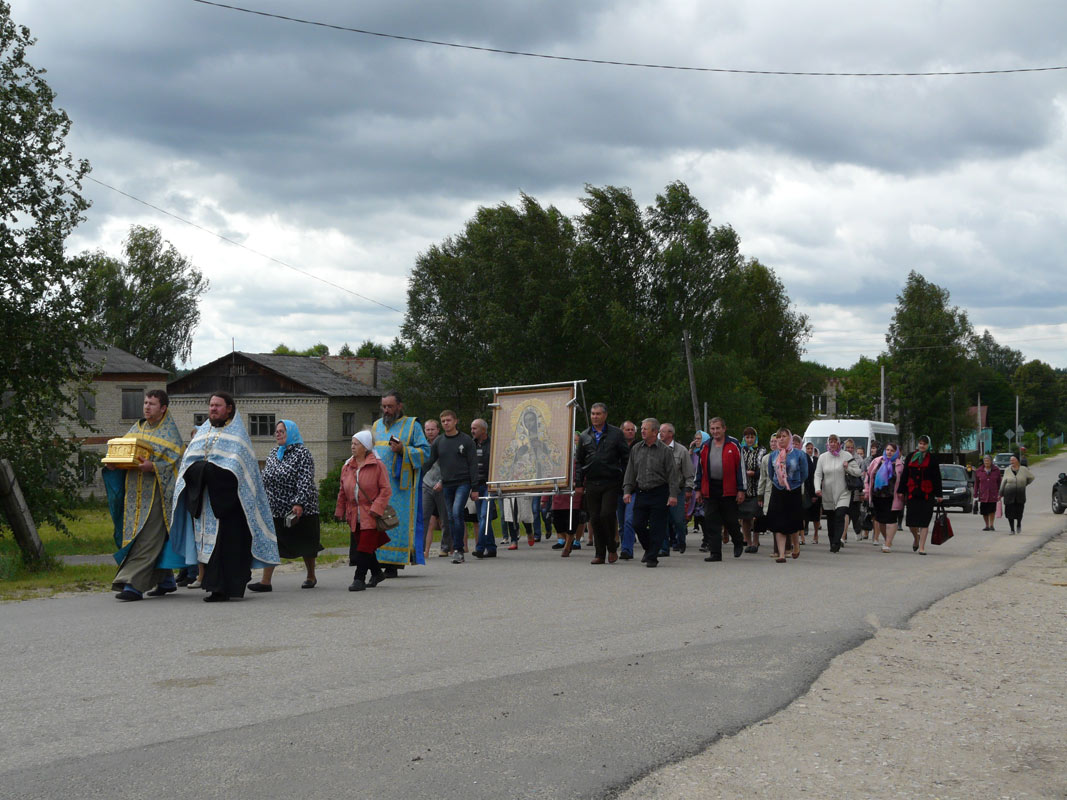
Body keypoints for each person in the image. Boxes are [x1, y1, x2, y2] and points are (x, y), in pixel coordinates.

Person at [169, 392, 280, 602]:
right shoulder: (203, 433)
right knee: (211, 547)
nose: (213, 409)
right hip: (206, 501)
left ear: (229, 408)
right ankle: (214, 585)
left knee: (226, 546)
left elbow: (236, 471)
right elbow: (188, 464)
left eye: (217, 405)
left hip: (229, 504)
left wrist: (207, 470)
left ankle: (222, 588)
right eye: (211, 405)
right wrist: (202, 471)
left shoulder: (238, 436)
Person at [103, 389, 186, 602]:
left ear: (163, 408)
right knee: (142, 537)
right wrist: (114, 464)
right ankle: (165, 579)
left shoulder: (170, 433)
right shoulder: (136, 428)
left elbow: (177, 465)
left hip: (157, 495)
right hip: (134, 495)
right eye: (146, 403)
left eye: (152, 404)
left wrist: (154, 467)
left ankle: (133, 585)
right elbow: (123, 453)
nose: (147, 407)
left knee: (147, 538)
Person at [249, 420, 322, 591]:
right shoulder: (274, 453)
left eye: (282, 431)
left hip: (300, 509)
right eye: (276, 431)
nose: (278, 434)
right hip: (275, 509)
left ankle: (311, 575)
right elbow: (265, 477)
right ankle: (266, 581)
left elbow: (305, 479)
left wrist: (299, 502)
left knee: (306, 543)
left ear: (291, 433)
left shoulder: (302, 453)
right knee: (272, 543)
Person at [372, 391, 431, 576]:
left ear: (400, 406)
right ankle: (378, 561)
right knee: (377, 521)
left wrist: (403, 450)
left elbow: (425, 452)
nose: (386, 410)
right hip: (377, 485)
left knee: (396, 523)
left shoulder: (412, 425)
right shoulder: (376, 425)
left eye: (390, 406)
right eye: (384, 406)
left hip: (401, 488)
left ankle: (393, 564)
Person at [574, 403, 631, 564]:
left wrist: (625, 480)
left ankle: (612, 548)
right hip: (592, 482)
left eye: (598, 414)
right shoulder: (585, 435)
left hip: (611, 481)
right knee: (595, 518)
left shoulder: (616, 434)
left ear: (605, 415)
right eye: (593, 414)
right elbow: (579, 461)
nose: (595, 417)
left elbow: (626, 458)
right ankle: (600, 553)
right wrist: (579, 483)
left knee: (607, 514)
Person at [335, 431, 392, 590]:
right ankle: (377, 573)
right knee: (364, 545)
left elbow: (386, 490)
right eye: (352, 443)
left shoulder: (377, 465)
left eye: (356, 444)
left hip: (371, 514)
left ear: (365, 446)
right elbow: (342, 491)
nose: (352, 446)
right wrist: (339, 510)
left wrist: (377, 508)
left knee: (364, 547)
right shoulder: (347, 466)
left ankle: (359, 579)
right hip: (353, 514)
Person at [622, 418, 680, 568]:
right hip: (641, 492)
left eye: (645, 429)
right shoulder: (636, 449)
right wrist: (627, 490)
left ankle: (652, 557)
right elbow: (630, 472)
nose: (642, 431)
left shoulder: (665, 451)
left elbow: (672, 475)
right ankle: (649, 549)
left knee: (657, 527)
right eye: (641, 428)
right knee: (637, 523)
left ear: (655, 432)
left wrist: (673, 494)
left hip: (659, 492)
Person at [422, 410, 477, 563]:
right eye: (443, 421)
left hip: (463, 483)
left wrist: (475, 488)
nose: (446, 423)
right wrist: (417, 475)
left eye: (448, 420)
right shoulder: (439, 442)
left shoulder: (466, 440)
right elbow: (429, 462)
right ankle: (455, 547)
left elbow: (473, 464)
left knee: (457, 512)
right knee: (451, 517)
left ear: (455, 421)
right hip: (447, 484)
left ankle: (458, 549)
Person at [694, 417, 746, 562]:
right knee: (711, 521)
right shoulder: (705, 446)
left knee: (731, 520)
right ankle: (715, 553)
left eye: (718, 428)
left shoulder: (733, 444)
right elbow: (700, 469)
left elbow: (741, 468)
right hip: (710, 488)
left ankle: (738, 541)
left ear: (724, 428)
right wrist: (697, 489)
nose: (715, 431)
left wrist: (741, 489)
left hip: (729, 489)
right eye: (712, 429)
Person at [814, 433, 863, 554]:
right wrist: (817, 488)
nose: (833, 444)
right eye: (830, 441)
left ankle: (837, 541)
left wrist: (847, 468)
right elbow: (818, 474)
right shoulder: (823, 457)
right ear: (828, 443)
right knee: (831, 518)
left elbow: (858, 472)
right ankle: (832, 541)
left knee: (840, 515)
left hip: (843, 492)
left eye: (835, 441)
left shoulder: (846, 455)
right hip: (828, 493)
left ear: (839, 443)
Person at [766, 428, 809, 563]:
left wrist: (794, 483)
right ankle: (782, 554)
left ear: (790, 438)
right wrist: (779, 482)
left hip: (793, 490)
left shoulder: (799, 454)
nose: (781, 439)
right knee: (779, 522)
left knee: (792, 522)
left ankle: (796, 545)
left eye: (784, 436)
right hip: (778, 490)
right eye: (779, 437)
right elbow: (770, 472)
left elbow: (804, 473)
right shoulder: (773, 455)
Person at [899, 435, 944, 554]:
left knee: (924, 522)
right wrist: (901, 490)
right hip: (912, 493)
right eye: (920, 443)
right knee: (911, 523)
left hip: (927, 494)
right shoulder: (910, 456)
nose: (922, 446)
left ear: (928, 445)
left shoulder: (933, 459)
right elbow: (905, 474)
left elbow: (937, 477)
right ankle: (916, 538)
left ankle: (922, 547)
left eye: (924, 444)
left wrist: (939, 494)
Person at [656, 422, 694, 557]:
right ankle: (664, 548)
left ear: (671, 434)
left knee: (678, 520)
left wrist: (689, 489)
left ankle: (681, 540)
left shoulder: (681, 451)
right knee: (662, 520)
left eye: (663, 431)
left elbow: (689, 472)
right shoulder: (655, 449)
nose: (660, 434)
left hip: (678, 490)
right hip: (661, 490)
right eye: (659, 431)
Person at [864, 443, 904, 553]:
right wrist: (866, 491)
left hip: (893, 497)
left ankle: (888, 543)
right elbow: (868, 476)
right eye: (887, 450)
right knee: (880, 520)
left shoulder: (899, 465)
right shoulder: (877, 461)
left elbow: (903, 481)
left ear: (896, 452)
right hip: (878, 496)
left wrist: (902, 492)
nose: (889, 452)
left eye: (892, 450)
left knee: (891, 520)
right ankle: (887, 540)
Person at [469, 418, 499, 559]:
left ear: (483, 430)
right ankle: (491, 548)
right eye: (471, 428)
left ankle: (480, 548)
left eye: (475, 428)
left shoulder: (493, 444)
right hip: (477, 485)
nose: (472, 431)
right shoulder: (471, 445)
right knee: (483, 517)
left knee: (484, 516)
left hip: (489, 485)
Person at [420, 419, 450, 557]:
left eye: (432, 429)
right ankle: (420, 549)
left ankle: (445, 547)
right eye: (428, 429)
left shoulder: (444, 443)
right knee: (423, 517)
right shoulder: (422, 445)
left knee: (445, 518)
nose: (430, 432)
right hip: (426, 483)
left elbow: (449, 465)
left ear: (438, 430)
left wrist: (442, 481)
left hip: (442, 484)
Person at [738, 427, 765, 553]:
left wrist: (754, 473)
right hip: (744, 488)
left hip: (756, 488)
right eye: (747, 437)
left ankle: (755, 541)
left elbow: (763, 469)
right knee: (745, 517)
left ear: (756, 438)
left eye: (752, 437)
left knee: (756, 515)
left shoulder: (761, 450)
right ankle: (748, 542)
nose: (750, 440)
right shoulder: (740, 450)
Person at [617, 420, 639, 559]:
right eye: (627, 429)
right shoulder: (616, 446)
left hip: (634, 489)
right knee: (621, 521)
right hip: (619, 488)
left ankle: (627, 549)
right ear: (622, 431)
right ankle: (624, 541)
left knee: (629, 519)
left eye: (632, 430)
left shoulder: (640, 446)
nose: (630, 432)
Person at [999, 455, 1035, 534]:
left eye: (1013, 460)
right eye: (1010, 460)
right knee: (1009, 513)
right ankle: (1012, 529)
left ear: (1018, 461)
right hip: (1008, 494)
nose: (1011, 462)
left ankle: (1019, 523)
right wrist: (1000, 493)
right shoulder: (1007, 470)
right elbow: (1003, 482)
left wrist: (1024, 483)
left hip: (1020, 495)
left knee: (1019, 512)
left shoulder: (1024, 469)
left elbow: (1032, 477)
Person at [973, 454, 1002, 531]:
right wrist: (975, 494)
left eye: (988, 461)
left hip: (993, 494)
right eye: (985, 461)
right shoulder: (979, 470)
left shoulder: (996, 470)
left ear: (991, 461)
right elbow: (976, 483)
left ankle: (991, 525)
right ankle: (987, 525)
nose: (986, 462)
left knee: (992, 510)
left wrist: (1000, 492)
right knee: (984, 511)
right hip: (983, 494)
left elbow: (999, 482)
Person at [801, 441, 821, 545]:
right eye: (808, 448)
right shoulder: (802, 459)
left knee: (816, 516)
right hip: (806, 490)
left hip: (816, 489)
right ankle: (802, 537)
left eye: (811, 448)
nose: (809, 450)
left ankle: (816, 534)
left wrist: (816, 492)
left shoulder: (817, 460)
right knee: (803, 515)